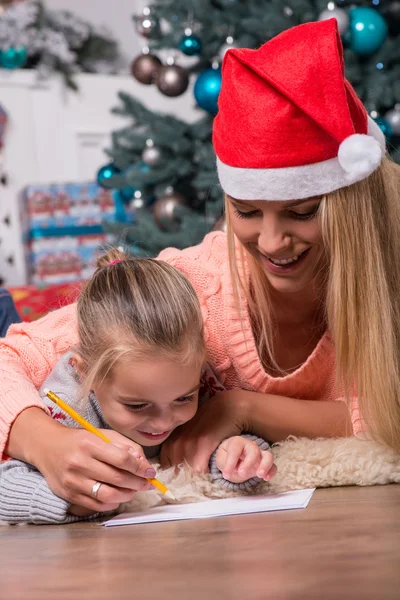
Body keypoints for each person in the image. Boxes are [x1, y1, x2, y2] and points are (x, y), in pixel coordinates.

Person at [1, 18, 400, 513]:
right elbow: (12, 355)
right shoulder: (199, 286)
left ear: (349, 208)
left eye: (302, 213)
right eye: (247, 212)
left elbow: (388, 412)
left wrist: (242, 407)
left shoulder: (388, 277)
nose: (272, 242)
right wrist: (44, 442)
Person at [0, 250, 274, 524]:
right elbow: (6, 485)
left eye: (183, 399)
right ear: (87, 375)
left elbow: (219, 446)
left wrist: (239, 458)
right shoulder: (67, 409)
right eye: (137, 405)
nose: (164, 422)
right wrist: (72, 501)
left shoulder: (194, 379)